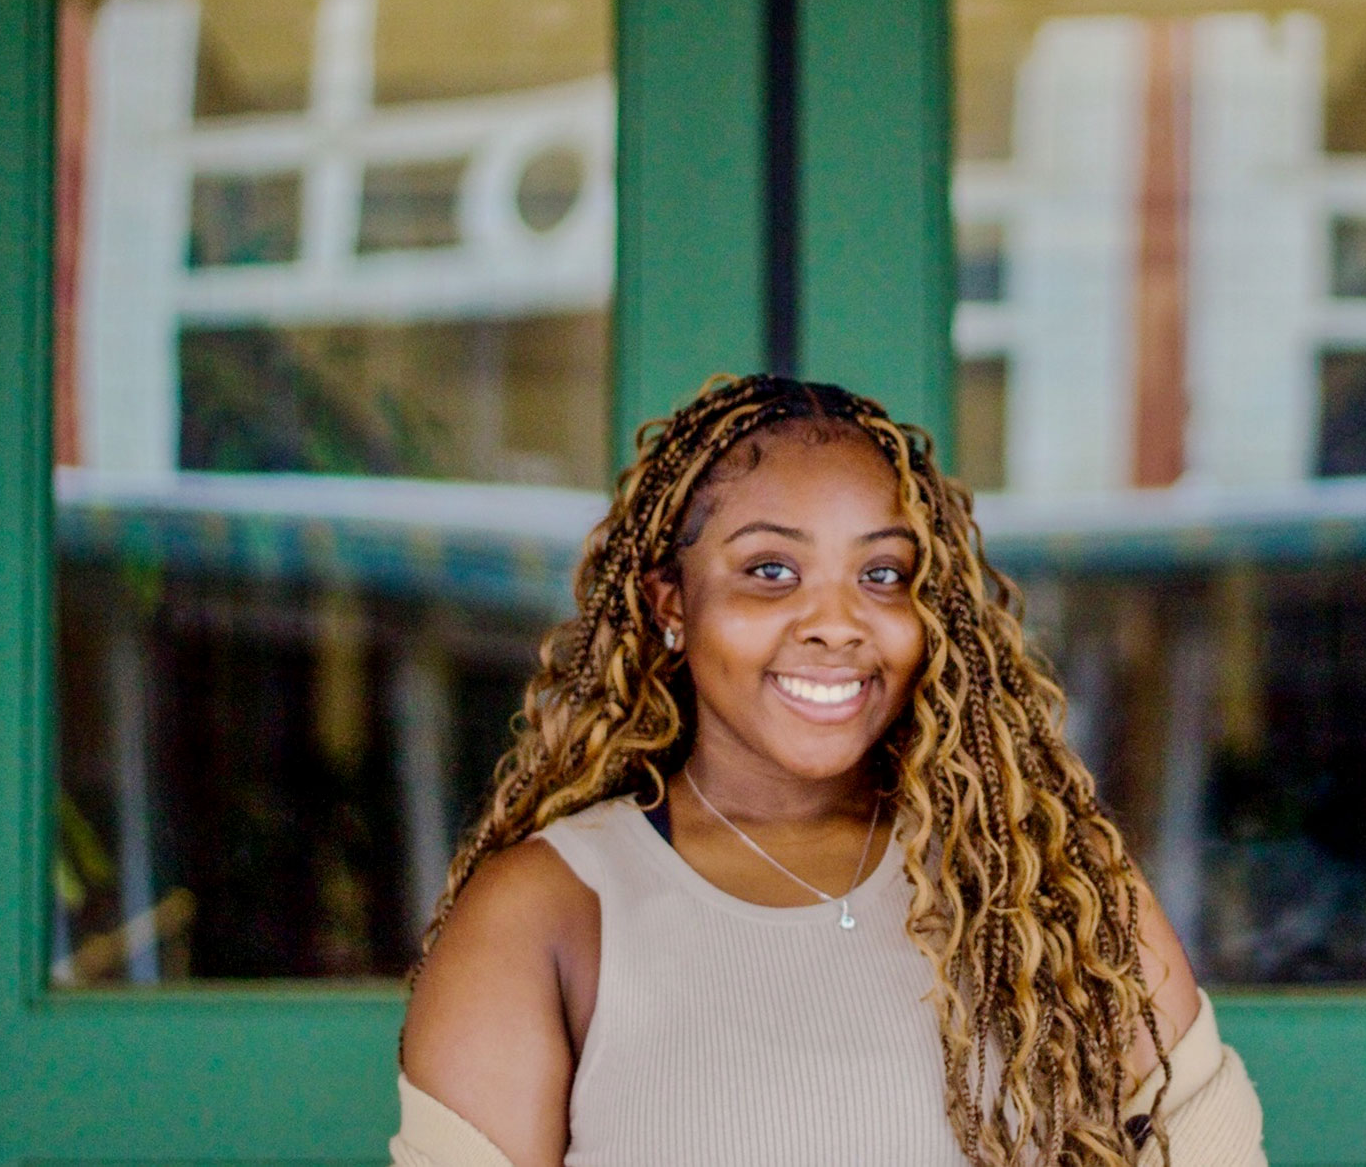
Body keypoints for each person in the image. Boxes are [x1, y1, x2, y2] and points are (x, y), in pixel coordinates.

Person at [394, 375, 1264, 1166]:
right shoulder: (545, 915)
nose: (837, 623)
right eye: (771, 571)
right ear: (670, 602)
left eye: (883, 575)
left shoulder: (1054, 892)